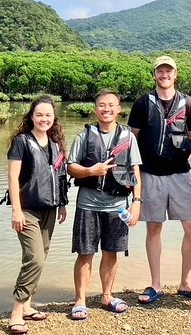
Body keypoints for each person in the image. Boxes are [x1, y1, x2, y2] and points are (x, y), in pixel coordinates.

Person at [128, 55, 191, 304]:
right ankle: (155, 285)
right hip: (150, 175)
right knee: (154, 227)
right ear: (155, 74)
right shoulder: (143, 103)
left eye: (169, 71)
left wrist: (185, 149)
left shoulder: (188, 103)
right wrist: (134, 178)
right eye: (160, 71)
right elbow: (132, 140)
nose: (164, 75)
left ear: (176, 74)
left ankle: (186, 282)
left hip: (179, 175)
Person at [67, 89, 143, 320]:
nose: (106, 109)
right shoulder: (84, 136)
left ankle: (107, 295)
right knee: (85, 253)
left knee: (112, 252)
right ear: (95, 108)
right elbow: (71, 167)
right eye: (102, 105)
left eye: (111, 105)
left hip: (118, 205)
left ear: (119, 109)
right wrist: (90, 170)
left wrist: (137, 203)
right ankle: (80, 300)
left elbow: (136, 170)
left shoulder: (128, 137)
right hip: (88, 204)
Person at [5, 95, 69, 335]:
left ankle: (29, 306)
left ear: (54, 118)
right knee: (35, 259)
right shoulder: (22, 141)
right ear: (31, 116)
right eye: (39, 114)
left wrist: (62, 204)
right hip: (28, 210)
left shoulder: (55, 145)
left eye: (48, 115)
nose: (44, 119)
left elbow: (60, 178)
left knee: (41, 255)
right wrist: (16, 210)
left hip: (49, 209)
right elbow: (13, 177)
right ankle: (16, 312)